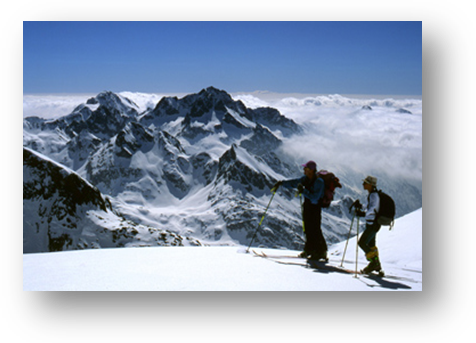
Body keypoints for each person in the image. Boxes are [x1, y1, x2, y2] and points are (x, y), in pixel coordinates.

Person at [272, 160, 327, 261]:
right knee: (308, 228)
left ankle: (321, 252)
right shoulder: (305, 179)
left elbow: (315, 198)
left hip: (315, 208)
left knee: (315, 228)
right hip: (308, 206)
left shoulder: (319, 182)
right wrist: (282, 183)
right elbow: (294, 183)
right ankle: (310, 250)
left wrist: (304, 191)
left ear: (311, 170)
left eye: (305, 168)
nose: (303, 170)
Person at [355, 175, 383, 274]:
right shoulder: (373, 194)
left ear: (370, 185)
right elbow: (370, 207)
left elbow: (372, 209)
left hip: (372, 224)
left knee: (362, 243)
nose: (363, 184)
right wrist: (361, 206)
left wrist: (363, 213)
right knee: (371, 245)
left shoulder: (373, 195)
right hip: (373, 224)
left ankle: (374, 263)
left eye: (365, 183)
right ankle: (376, 264)